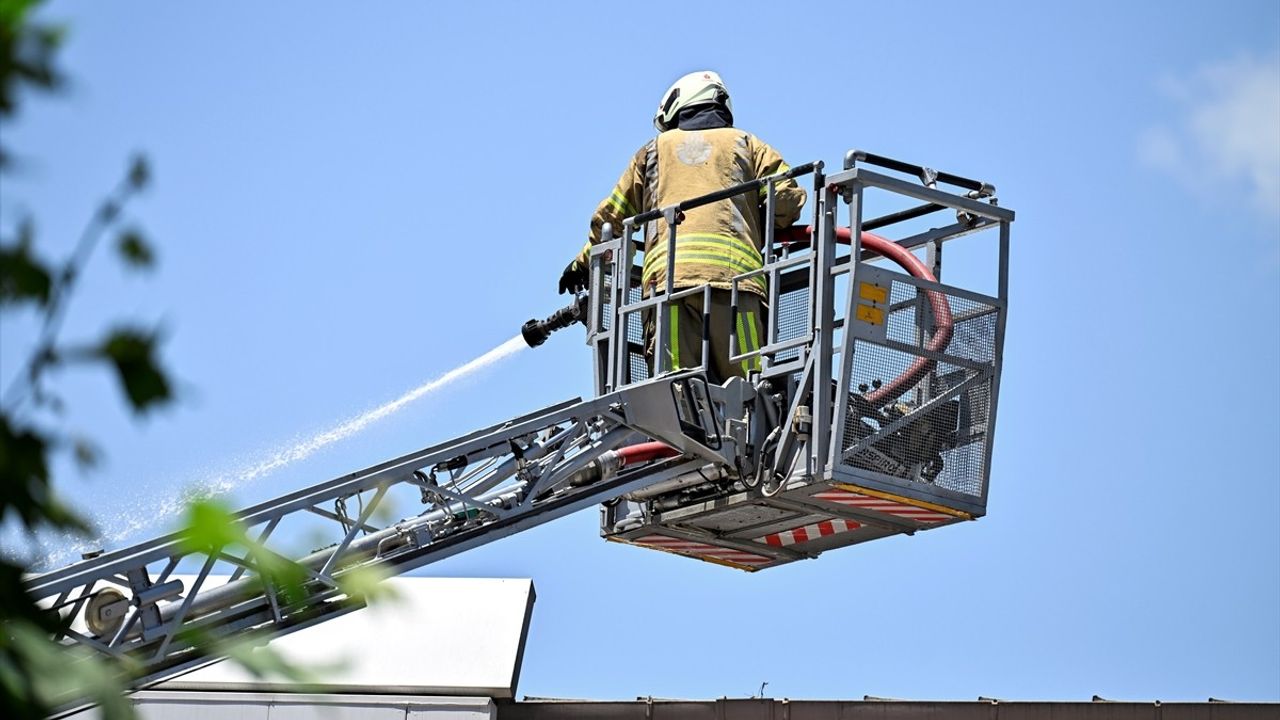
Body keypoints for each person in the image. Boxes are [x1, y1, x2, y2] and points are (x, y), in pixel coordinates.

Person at [558, 70, 806, 383]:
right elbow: (787, 198)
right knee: (751, 391)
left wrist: (583, 262)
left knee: (677, 393)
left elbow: (611, 218)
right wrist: (757, 220)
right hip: (738, 289)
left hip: (669, 291)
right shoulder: (747, 144)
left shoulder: (652, 151)